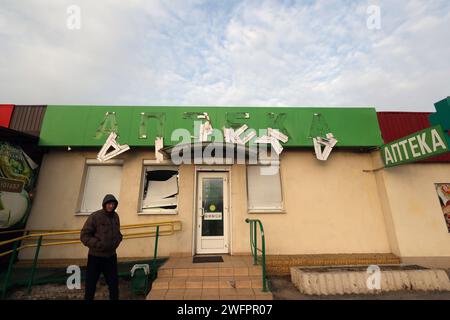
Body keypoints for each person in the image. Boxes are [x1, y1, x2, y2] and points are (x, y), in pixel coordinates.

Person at [80, 194, 123, 300]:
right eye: (109, 204)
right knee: (91, 285)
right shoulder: (95, 216)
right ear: (104, 204)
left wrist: (118, 239)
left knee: (114, 285)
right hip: (95, 257)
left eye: (113, 204)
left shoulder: (116, 217)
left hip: (111, 257)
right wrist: (98, 245)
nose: (111, 206)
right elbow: (84, 235)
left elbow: (117, 232)